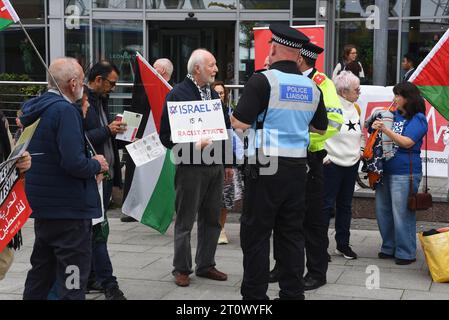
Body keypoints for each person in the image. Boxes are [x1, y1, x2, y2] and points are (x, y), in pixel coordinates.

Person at [231, 24, 328, 300]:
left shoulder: (263, 80)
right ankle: (292, 293)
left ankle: (254, 297)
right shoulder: (312, 87)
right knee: (291, 234)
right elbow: (320, 129)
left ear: (273, 49)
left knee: (256, 234)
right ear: (298, 56)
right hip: (298, 168)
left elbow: (240, 121)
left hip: (264, 165)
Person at [21, 57, 108, 300]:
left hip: (45, 207)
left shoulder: (37, 107)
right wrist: (96, 164)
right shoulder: (65, 111)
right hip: (69, 210)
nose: (84, 87)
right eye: (81, 81)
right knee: (72, 275)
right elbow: (73, 162)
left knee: (42, 271)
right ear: (72, 83)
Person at [269, 42, 344, 290]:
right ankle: (283, 266)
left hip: (309, 157)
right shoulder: (281, 79)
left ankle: (316, 272)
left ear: (299, 59)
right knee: (282, 216)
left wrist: (303, 139)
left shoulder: (322, 83)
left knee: (313, 219)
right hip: (282, 158)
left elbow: (333, 122)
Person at [160, 48, 233, 287]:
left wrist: (227, 161)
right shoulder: (177, 95)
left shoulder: (213, 95)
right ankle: (181, 268)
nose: (216, 69)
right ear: (197, 68)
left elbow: (224, 130)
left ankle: (206, 264)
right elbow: (166, 136)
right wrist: (193, 144)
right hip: (190, 166)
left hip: (214, 165)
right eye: (212, 65)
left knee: (212, 218)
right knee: (185, 219)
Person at [371, 82, 428, 265]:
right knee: (383, 211)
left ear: (408, 98)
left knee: (401, 213)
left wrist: (386, 129)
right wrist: (375, 122)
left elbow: (407, 142)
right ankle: (389, 246)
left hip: (404, 172)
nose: (394, 99)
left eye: (398, 96)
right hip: (384, 169)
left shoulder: (418, 119)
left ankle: (405, 252)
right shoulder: (391, 115)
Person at [84, 61, 127, 300]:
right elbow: (81, 138)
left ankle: (92, 278)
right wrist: (108, 131)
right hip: (92, 176)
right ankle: (109, 284)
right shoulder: (83, 102)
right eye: (111, 83)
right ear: (98, 80)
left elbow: (102, 135)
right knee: (98, 230)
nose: (114, 87)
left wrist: (117, 132)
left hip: (106, 174)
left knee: (97, 230)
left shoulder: (101, 99)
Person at [121, 57, 174, 223]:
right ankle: (133, 208)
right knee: (137, 172)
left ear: (162, 71)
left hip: (162, 142)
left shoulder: (171, 92)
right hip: (140, 138)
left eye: (154, 68)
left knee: (156, 176)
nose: (151, 70)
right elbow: (135, 108)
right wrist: (127, 134)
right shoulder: (144, 89)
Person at [322, 71, 364, 260]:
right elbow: (318, 131)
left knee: (345, 206)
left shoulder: (356, 108)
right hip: (332, 163)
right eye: (356, 89)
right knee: (326, 206)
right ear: (344, 91)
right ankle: (320, 246)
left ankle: (343, 244)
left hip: (351, 163)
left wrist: (360, 151)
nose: (360, 92)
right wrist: (323, 157)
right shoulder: (330, 106)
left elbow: (360, 132)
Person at [211, 81, 243, 245]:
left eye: (221, 93)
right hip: (210, 157)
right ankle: (212, 228)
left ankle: (221, 228)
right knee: (212, 198)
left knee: (226, 197)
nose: (219, 95)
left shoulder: (230, 113)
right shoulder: (207, 112)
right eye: (216, 92)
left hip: (229, 158)